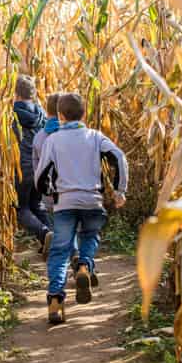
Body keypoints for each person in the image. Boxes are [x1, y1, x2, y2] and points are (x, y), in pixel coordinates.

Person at [35, 92, 128, 324]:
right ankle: (85, 266)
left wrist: (48, 192)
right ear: (83, 114)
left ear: (60, 115)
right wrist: (119, 190)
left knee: (59, 251)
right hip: (92, 200)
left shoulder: (52, 140)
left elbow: (42, 175)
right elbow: (118, 156)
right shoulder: (95, 137)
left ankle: (55, 300)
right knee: (90, 235)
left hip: (65, 202)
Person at [32, 92, 79, 268]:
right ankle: (75, 255)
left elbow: (36, 168)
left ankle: (55, 239)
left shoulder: (38, 137)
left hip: (49, 193)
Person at [12, 75, 53, 256]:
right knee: (37, 205)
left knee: (23, 209)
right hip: (40, 166)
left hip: (21, 168)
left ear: (15, 93)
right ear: (33, 93)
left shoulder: (11, 115)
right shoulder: (42, 114)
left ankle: (45, 233)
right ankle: (55, 240)